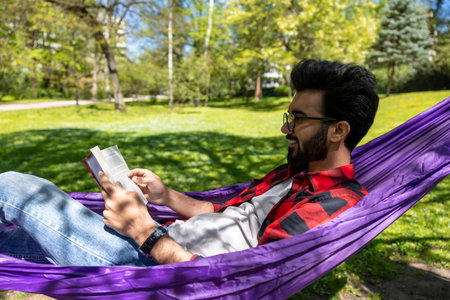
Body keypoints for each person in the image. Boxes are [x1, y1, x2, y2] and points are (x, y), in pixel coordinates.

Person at [0, 59, 379, 266]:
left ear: (337, 131)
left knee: (16, 188)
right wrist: (164, 194)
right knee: (15, 239)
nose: (285, 127)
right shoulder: (291, 174)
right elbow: (221, 211)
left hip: (153, 268)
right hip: (156, 240)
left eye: (297, 119)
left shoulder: (333, 201)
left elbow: (248, 278)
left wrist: (143, 231)